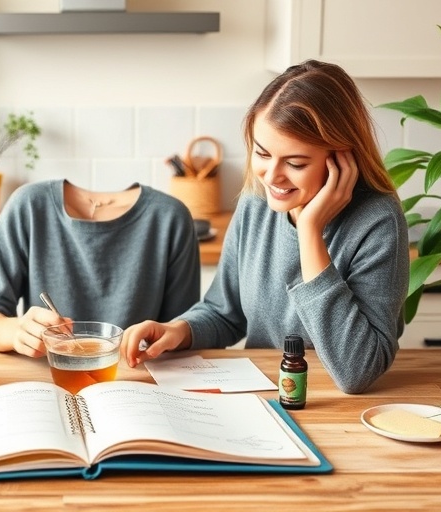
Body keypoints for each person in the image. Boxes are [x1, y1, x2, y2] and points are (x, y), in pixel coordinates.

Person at [120, 60, 409, 394]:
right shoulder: (257, 202)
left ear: (343, 159)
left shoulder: (378, 222)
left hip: (338, 412)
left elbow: (357, 371)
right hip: (263, 395)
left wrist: (310, 232)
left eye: (296, 163)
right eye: (262, 153)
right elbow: (224, 313)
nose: (272, 177)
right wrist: (179, 330)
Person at [0, 179, 201, 357]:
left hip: (135, 386)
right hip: (45, 381)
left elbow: (182, 334)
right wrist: (15, 331)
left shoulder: (171, 218)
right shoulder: (28, 207)